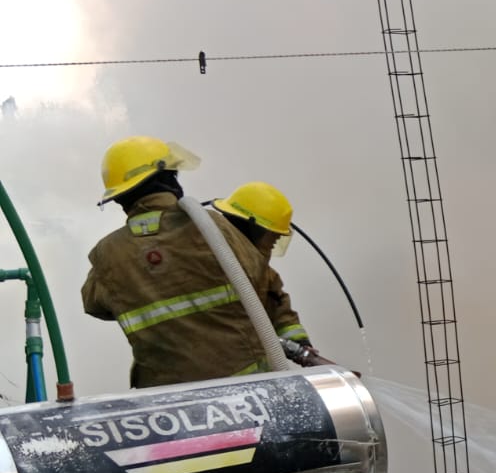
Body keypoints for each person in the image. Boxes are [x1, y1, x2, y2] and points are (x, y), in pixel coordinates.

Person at [81, 136, 313, 388]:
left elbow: (95, 305)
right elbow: (260, 279)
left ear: (120, 197)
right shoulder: (212, 227)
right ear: (166, 180)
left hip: (168, 399)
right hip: (245, 389)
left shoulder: (106, 255)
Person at [211, 181, 331, 365]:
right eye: (272, 237)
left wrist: (301, 345)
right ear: (254, 228)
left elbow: (279, 308)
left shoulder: (264, 274)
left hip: (246, 368)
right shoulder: (206, 258)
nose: (274, 242)